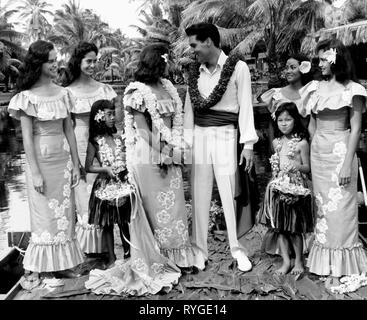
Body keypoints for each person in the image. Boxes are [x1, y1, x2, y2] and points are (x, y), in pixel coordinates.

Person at [84, 44, 191, 296]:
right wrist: (164, 152)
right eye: (167, 60)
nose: (170, 64)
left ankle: (178, 256)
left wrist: (174, 147)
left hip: (168, 147)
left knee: (174, 205)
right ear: (158, 61)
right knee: (153, 208)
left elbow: (174, 123)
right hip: (147, 154)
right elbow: (143, 131)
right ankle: (155, 257)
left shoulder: (167, 87)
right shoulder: (136, 91)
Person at [7, 40, 84, 284]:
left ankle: (64, 264)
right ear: (39, 64)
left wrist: (76, 163)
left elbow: (69, 130)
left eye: (55, 60)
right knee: (45, 216)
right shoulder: (26, 97)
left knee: (66, 214)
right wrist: (36, 172)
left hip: (63, 161)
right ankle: (47, 268)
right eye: (50, 61)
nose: (55, 64)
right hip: (40, 161)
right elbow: (27, 139)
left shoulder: (64, 94)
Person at [184, 23, 258, 272]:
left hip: (227, 134)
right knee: (199, 192)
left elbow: (246, 105)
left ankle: (237, 250)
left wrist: (247, 144)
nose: (191, 49)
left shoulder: (238, 67)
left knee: (229, 192)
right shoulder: (194, 70)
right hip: (199, 135)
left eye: (194, 44)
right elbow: (189, 110)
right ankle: (199, 252)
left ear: (208, 41)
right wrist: (186, 144)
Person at [300, 38, 367, 289]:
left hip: (341, 152)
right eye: (318, 59)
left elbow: (356, 128)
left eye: (323, 59)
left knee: (341, 212)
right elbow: (312, 124)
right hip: (319, 155)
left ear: (336, 58)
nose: (319, 64)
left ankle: (341, 267)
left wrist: (346, 162)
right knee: (323, 211)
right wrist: (312, 150)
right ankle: (325, 263)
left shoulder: (353, 89)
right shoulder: (315, 88)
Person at [63, 41, 118, 255]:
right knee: (84, 194)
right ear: (78, 62)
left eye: (95, 61)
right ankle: (89, 248)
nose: (93, 65)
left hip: (102, 142)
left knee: (105, 191)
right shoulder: (67, 92)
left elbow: (114, 122)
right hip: (79, 142)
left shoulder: (104, 89)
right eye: (88, 61)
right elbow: (66, 126)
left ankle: (106, 246)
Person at [259, 54, 313, 255]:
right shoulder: (277, 94)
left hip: (303, 148)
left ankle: (305, 248)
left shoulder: (312, 92)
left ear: (303, 68)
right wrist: (276, 150)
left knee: (300, 208)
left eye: (292, 67)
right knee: (281, 212)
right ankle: (283, 253)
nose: (288, 71)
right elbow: (273, 126)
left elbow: (312, 123)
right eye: (286, 67)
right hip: (282, 152)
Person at [257, 102, 314, 275]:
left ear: (295, 120)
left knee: (295, 228)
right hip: (278, 187)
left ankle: (298, 261)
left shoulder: (301, 143)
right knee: (279, 228)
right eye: (280, 120)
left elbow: (307, 168)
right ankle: (286, 261)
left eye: (288, 119)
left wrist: (297, 165)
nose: (283, 123)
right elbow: (276, 165)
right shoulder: (276, 142)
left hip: (295, 188)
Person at [85, 100, 131, 267]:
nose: (113, 117)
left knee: (124, 221)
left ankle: (129, 255)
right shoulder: (95, 141)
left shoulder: (118, 137)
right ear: (99, 118)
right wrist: (104, 169)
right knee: (107, 224)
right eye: (109, 115)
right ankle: (111, 259)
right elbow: (88, 167)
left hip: (122, 183)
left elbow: (126, 156)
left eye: (114, 113)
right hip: (105, 186)